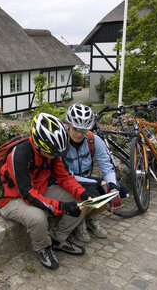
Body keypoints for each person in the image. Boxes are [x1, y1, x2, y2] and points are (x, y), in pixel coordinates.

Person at [0, 112, 92, 270]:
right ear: (39, 144)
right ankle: (43, 247)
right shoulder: (20, 155)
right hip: (13, 199)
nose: (54, 157)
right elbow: (27, 194)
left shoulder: (51, 152)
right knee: (38, 217)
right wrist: (61, 206)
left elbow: (64, 177)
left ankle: (58, 239)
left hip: (39, 191)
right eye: (52, 153)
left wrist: (82, 193)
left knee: (81, 201)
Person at [63, 103, 130, 243]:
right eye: (76, 129)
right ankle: (78, 223)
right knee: (93, 196)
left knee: (122, 191)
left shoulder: (93, 140)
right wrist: (99, 182)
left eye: (84, 130)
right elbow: (65, 175)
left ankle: (90, 219)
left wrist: (113, 186)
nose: (79, 134)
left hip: (86, 179)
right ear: (68, 124)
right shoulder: (62, 142)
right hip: (68, 181)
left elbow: (107, 166)